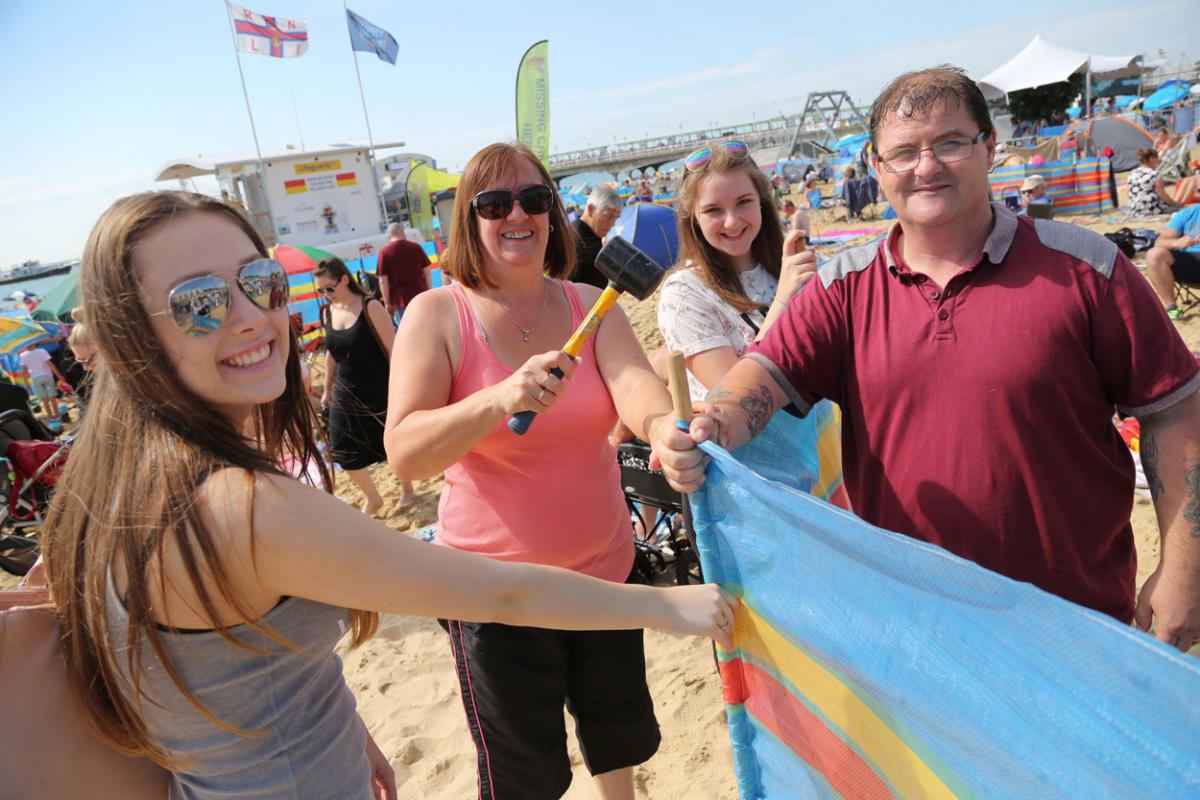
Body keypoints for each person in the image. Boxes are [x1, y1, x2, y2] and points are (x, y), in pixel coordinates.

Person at [38, 190, 734, 800]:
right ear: (129, 333)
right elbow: (503, 595)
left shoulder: (109, 488)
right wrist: (671, 604)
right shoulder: (243, 507)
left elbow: (239, 669)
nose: (251, 318)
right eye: (199, 303)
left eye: (260, 282)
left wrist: (340, 723)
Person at [654, 65, 1200, 652]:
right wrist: (715, 423)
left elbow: (1174, 412)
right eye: (904, 152)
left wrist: (1184, 573)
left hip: (1077, 619)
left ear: (990, 146)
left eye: (950, 143)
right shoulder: (844, 286)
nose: (926, 166)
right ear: (877, 166)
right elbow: (762, 373)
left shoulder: (1085, 265)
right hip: (919, 634)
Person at [384, 142, 706, 800]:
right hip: (494, 596)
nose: (517, 215)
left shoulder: (594, 302)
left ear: (553, 214)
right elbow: (406, 451)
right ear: (468, 223)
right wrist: (498, 399)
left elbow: (636, 390)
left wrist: (661, 431)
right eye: (494, 204)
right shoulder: (437, 315)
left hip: (605, 574)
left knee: (618, 741)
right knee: (524, 778)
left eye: (534, 199)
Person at [657, 139, 847, 507]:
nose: (732, 221)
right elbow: (735, 393)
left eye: (743, 202)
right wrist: (784, 299)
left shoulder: (795, 265)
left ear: (762, 200)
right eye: (713, 209)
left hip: (823, 464)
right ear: (693, 218)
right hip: (749, 491)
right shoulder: (684, 292)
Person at [316, 257, 413, 514]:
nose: (326, 295)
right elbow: (330, 354)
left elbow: (394, 350)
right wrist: (327, 389)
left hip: (379, 385)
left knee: (391, 442)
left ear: (344, 280)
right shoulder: (329, 311)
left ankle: (407, 490)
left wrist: (402, 386)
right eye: (320, 290)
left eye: (329, 288)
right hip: (346, 389)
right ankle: (373, 497)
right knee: (340, 445)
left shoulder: (370, 306)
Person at [1145, 202, 1200, 321]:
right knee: (1154, 254)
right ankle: (1172, 308)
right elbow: (1160, 242)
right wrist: (1177, 242)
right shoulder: (1188, 214)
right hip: (1191, 262)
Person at [376, 222, 431, 323]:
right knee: (425, 327)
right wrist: (429, 291)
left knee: (406, 332)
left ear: (389, 236)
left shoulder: (384, 253)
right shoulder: (416, 247)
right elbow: (427, 272)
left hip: (400, 301)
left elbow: (383, 281)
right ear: (402, 232)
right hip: (421, 296)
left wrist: (387, 303)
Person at [569, 185, 622, 289]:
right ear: (591, 209)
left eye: (615, 218)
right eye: (608, 216)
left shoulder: (588, 235)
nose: (612, 224)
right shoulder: (579, 240)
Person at [1128, 149, 1200, 218]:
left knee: (1186, 180)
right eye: (1157, 158)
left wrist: (1173, 202)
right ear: (1151, 159)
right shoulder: (1154, 174)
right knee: (1192, 182)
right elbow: (1162, 195)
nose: (1158, 160)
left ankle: (1177, 203)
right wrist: (1173, 203)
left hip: (1135, 207)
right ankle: (1179, 204)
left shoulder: (1132, 173)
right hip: (1152, 208)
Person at [18, 344, 65, 424]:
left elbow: (24, 372)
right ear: (34, 343)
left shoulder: (23, 355)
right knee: (52, 398)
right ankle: (57, 416)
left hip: (36, 378)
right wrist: (59, 375)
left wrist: (26, 383)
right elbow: (51, 365)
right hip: (47, 376)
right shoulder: (42, 351)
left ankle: (51, 418)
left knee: (44, 400)